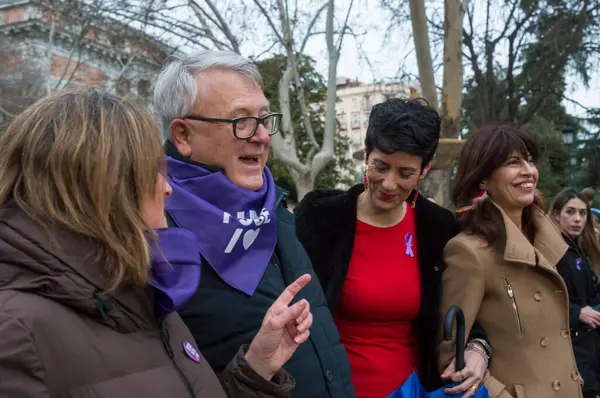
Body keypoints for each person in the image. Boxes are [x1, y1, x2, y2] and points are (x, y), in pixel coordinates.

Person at [0, 88, 314, 397]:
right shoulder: (15, 332)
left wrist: (257, 366)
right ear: (101, 185)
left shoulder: (142, 294)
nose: (167, 188)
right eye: (153, 171)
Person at [153, 50, 354, 398]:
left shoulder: (272, 205)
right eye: (241, 121)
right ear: (183, 135)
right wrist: (255, 370)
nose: (262, 136)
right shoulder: (154, 230)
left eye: (264, 118)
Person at [294, 98, 491, 398]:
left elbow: (463, 302)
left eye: (405, 173)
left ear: (424, 170)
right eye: (381, 166)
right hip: (331, 389)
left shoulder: (437, 226)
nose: (388, 183)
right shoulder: (321, 216)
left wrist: (479, 347)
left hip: (412, 390)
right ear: (366, 155)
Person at [440, 124, 583, 398]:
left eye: (529, 160)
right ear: (482, 179)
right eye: (512, 163)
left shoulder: (547, 242)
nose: (528, 171)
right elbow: (450, 355)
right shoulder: (468, 252)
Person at [550, 188, 600, 398]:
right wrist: (576, 312)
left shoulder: (580, 249)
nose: (577, 219)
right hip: (566, 346)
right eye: (570, 212)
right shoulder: (550, 251)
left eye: (582, 213)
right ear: (556, 214)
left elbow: (591, 293)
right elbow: (539, 298)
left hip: (589, 344)